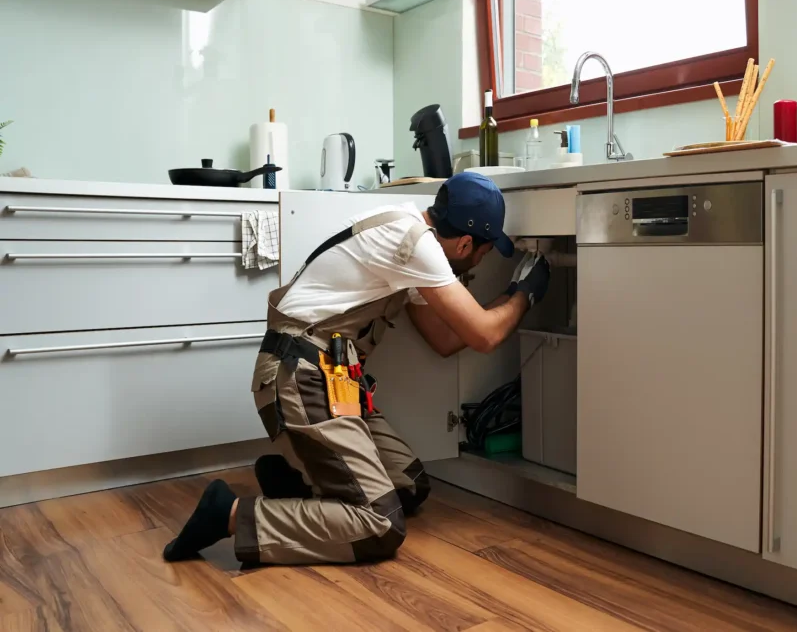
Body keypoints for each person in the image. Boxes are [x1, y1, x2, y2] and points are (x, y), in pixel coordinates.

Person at [163, 172, 550, 565]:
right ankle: (228, 514)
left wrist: (512, 292)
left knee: (409, 485)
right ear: (466, 242)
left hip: (330, 381)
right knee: (379, 524)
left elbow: (447, 339)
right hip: (299, 377)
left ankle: (296, 481)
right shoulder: (415, 244)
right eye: (483, 253)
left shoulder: (410, 236)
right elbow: (485, 336)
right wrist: (526, 292)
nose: (480, 262)